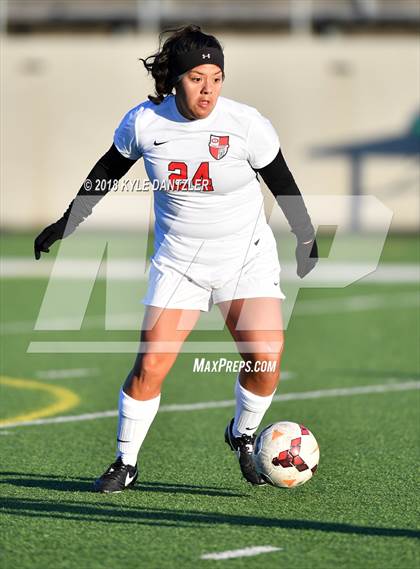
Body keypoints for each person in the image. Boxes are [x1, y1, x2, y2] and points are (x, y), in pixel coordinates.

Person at [34, 25, 318, 492]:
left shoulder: (246, 123)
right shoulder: (145, 122)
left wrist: (306, 234)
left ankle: (243, 432)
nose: (208, 89)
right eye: (197, 78)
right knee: (151, 366)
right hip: (180, 262)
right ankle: (125, 462)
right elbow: (106, 171)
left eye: (217, 77)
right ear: (175, 79)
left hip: (246, 258)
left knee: (265, 359)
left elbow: (281, 180)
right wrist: (67, 222)